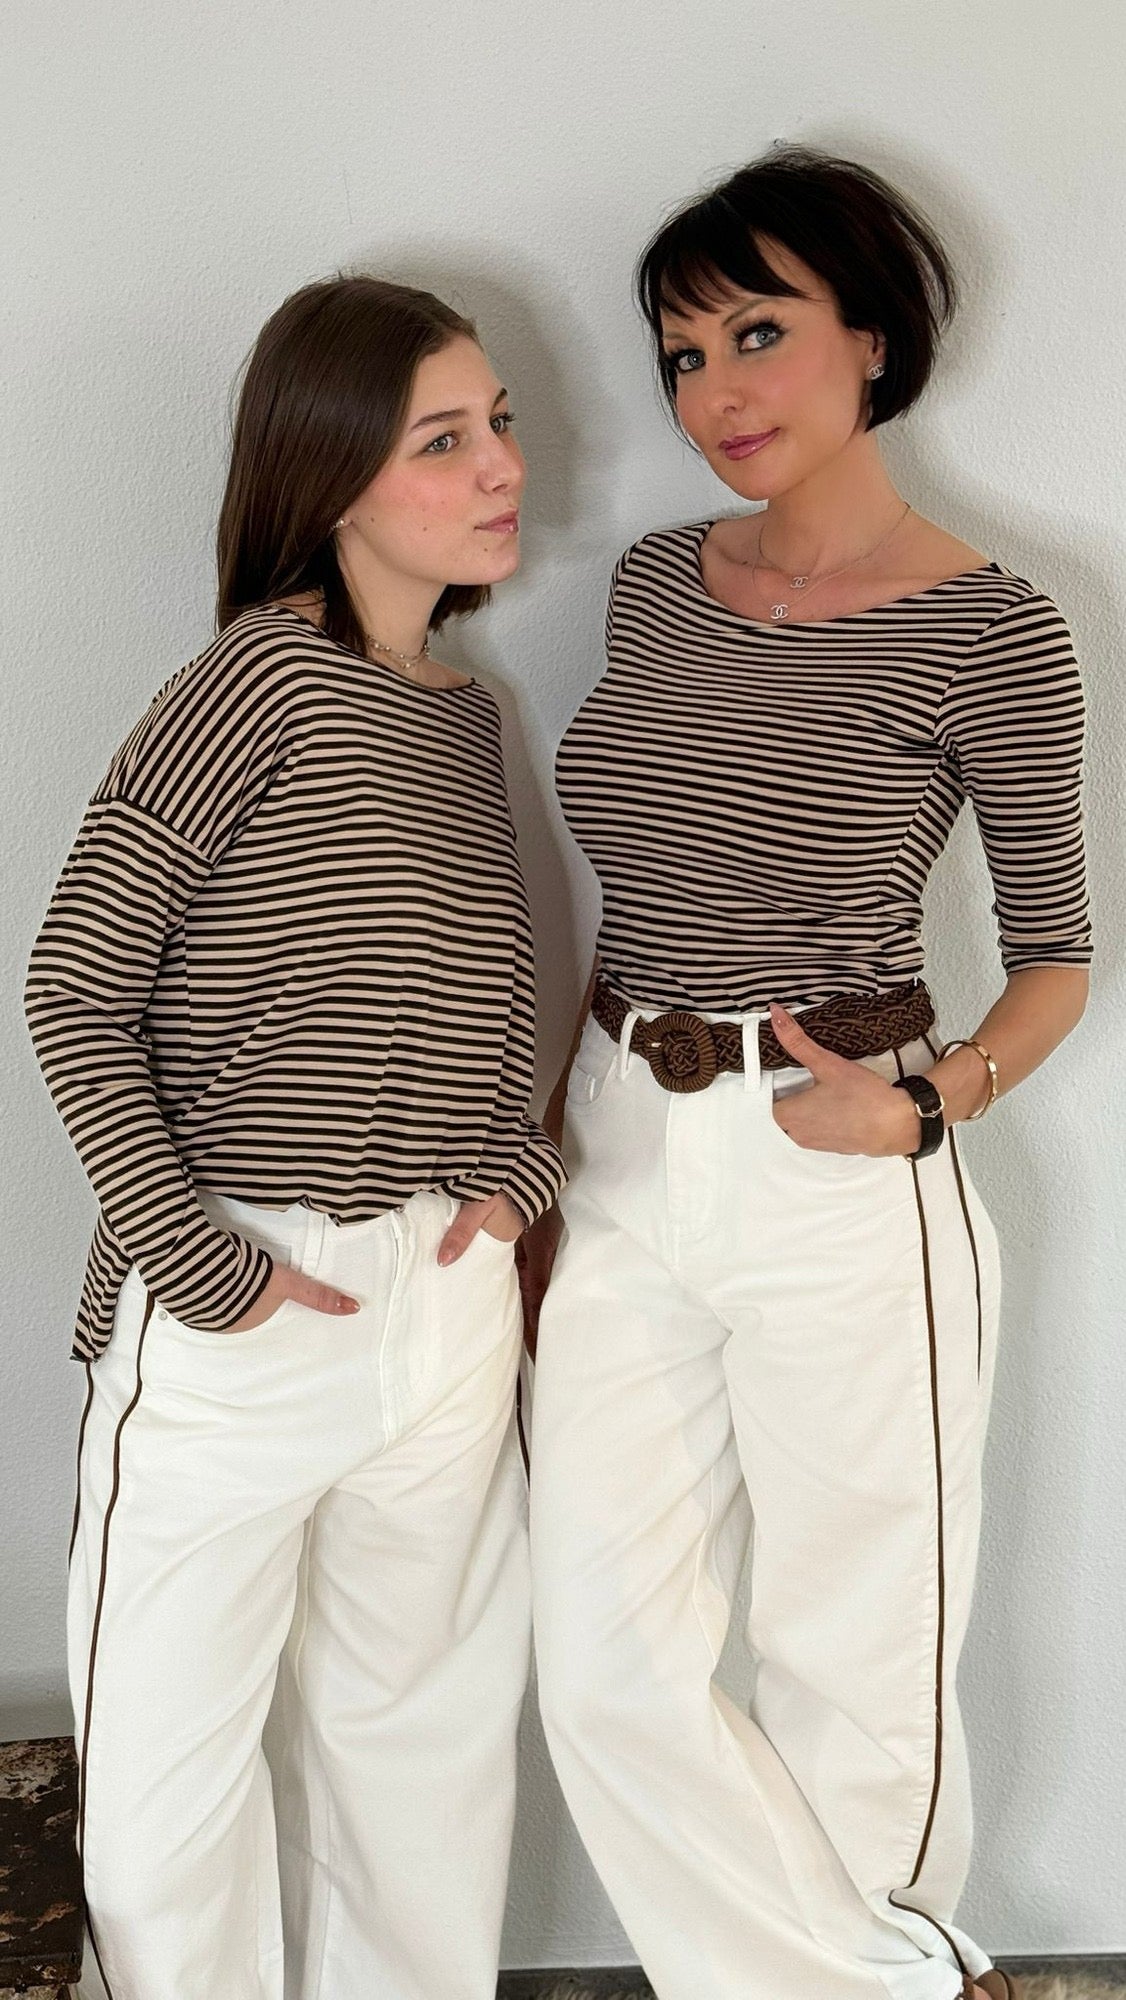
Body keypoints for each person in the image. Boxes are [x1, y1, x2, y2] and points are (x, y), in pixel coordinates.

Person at [527, 148, 1090, 2000]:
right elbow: (636, 880)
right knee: (600, 1658)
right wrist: (561, 1139)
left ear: (872, 336)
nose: (715, 392)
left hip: (841, 1156)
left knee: (855, 1664)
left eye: (756, 334)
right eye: (682, 356)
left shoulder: (992, 625)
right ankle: (905, 1985)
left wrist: (923, 1107)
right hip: (623, 1138)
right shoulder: (652, 587)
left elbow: (1056, 955)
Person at [25, 274, 563, 2000]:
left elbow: (485, 995)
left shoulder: (466, 716)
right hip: (245, 1291)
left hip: (440, 1302)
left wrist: (516, 1170)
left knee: (423, 1757)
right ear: (329, 475)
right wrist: (197, 1259)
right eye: (443, 438)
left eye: (499, 424)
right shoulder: (254, 681)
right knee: (166, 1799)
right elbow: (72, 980)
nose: (503, 465)